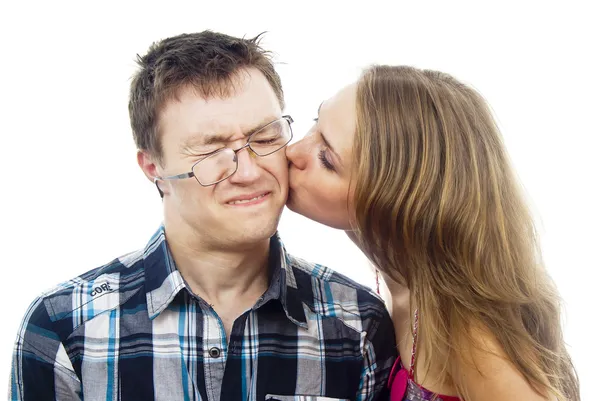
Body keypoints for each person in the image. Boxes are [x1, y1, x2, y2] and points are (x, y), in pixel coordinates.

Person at [9, 31, 397, 401]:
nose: (248, 172)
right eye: (210, 151)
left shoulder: (359, 325)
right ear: (153, 167)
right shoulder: (62, 327)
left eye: (264, 138)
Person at [286, 65, 580, 401]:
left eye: (326, 158)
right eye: (314, 123)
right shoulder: (405, 284)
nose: (293, 152)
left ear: (392, 202)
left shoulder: (466, 331)